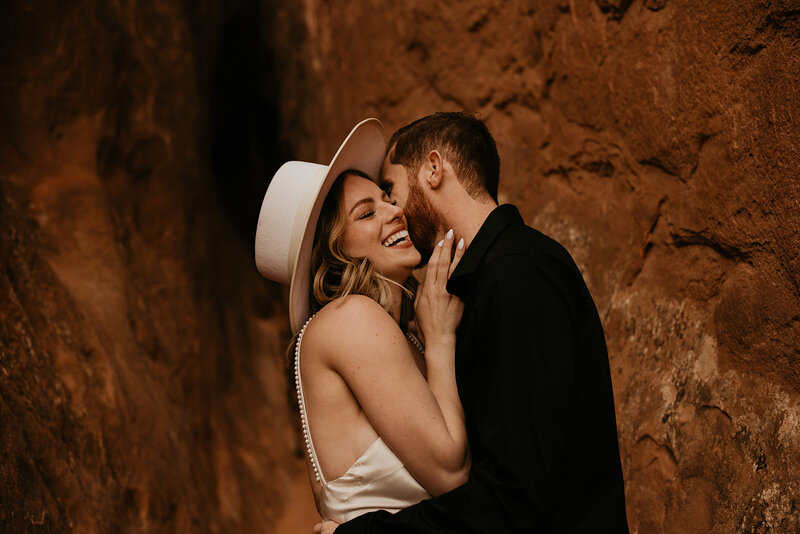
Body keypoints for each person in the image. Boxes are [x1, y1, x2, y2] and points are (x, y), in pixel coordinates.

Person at [318, 112, 629, 533]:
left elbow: (514, 499)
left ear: (433, 169)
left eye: (391, 192)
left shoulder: (518, 274)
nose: (395, 211)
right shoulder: (472, 290)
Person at [255, 119, 471, 524]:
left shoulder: (400, 332)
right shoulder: (350, 319)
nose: (395, 211)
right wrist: (441, 339)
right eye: (366, 213)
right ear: (336, 251)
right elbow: (451, 474)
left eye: (386, 198)